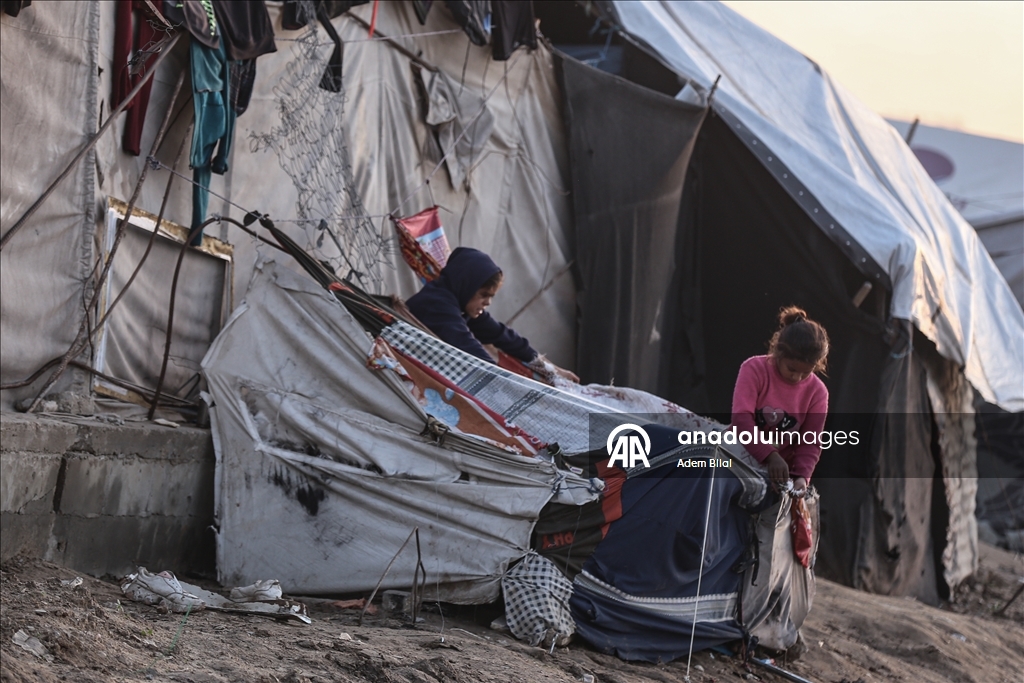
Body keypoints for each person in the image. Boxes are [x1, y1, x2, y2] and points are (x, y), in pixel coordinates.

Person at [407, 247, 579, 381]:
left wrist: (554, 371)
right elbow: (471, 350)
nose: (488, 303)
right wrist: (510, 384)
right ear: (466, 286)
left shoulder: (460, 303)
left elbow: (505, 337)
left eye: (491, 297)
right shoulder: (436, 305)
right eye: (483, 295)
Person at [731, 306, 830, 492]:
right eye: (791, 369)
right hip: (736, 458)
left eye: (806, 373)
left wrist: (801, 477)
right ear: (778, 353)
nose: (797, 377)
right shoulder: (754, 369)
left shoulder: (818, 392)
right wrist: (771, 456)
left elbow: (810, 441)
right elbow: (741, 419)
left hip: (777, 475)